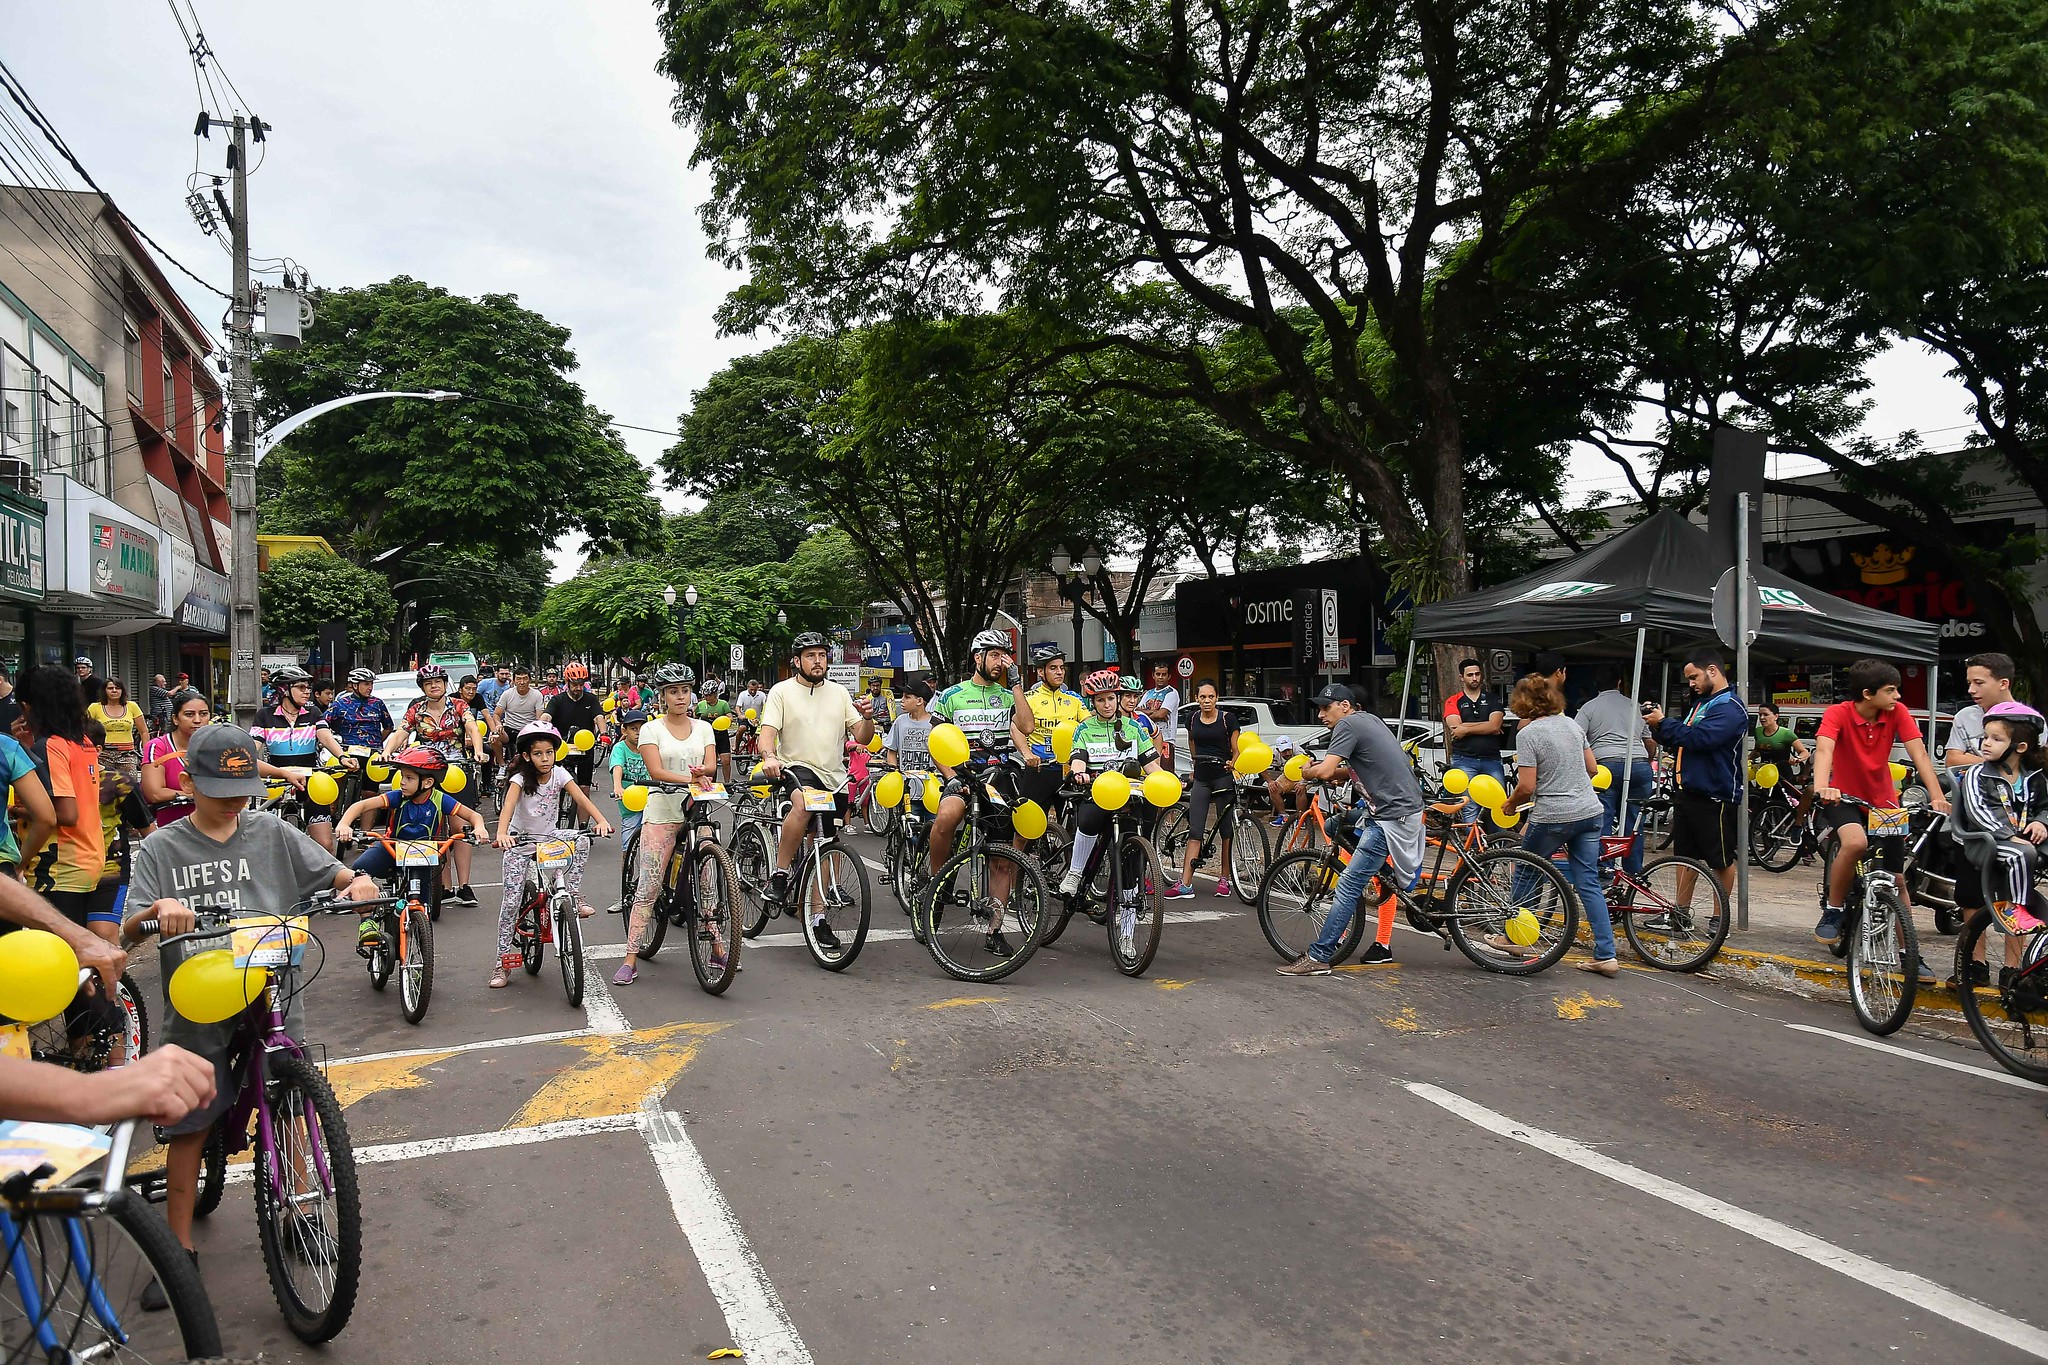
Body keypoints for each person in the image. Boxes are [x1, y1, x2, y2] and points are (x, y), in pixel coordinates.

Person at [122, 723, 382, 1292]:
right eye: (220, 788)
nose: (235, 801)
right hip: (201, 992)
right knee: (192, 1121)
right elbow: (129, 926)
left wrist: (356, 880)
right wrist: (157, 910)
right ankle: (176, 1249)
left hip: (274, 982)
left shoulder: (270, 831)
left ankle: (297, 1209)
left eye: (242, 789)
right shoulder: (163, 847)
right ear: (189, 782)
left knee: (290, 1100)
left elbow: (332, 872)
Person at [1811, 659, 1949, 968]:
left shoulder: (1897, 713)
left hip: (1885, 801)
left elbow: (1919, 753)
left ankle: (1908, 954)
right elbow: (1824, 749)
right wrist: (1823, 785)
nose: (1898, 697)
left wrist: (1938, 796)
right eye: (1891, 691)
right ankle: (1834, 909)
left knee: (1897, 879)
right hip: (1843, 797)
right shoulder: (1838, 713)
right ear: (1867, 694)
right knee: (1855, 843)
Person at [1274, 684, 1419, 974]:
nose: (1320, 715)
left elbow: (1325, 770)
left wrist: (1308, 771)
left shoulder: (1348, 725)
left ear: (1344, 705)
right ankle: (1386, 874)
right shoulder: (1368, 719)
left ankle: (1319, 957)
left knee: (1349, 885)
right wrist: (1341, 773)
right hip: (1394, 809)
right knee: (1334, 823)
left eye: (1325, 708)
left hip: (1390, 816)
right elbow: (1361, 765)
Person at [758, 636, 877, 949]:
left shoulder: (839, 692)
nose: (818, 661)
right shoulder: (781, 692)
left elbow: (863, 736)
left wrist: (867, 717)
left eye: (822, 655)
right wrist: (770, 756)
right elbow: (767, 735)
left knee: (825, 844)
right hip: (797, 769)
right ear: (797, 660)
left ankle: (817, 919)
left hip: (834, 776)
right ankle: (780, 874)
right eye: (810, 656)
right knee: (803, 806)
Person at [1499, 676, 1618, 976]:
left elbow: (1526, 786)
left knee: (1527, 870)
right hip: (1590, 812)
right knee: (1589, 882)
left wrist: (1511, 804)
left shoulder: (1529, 734)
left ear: (1522, 702)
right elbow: (1592, 768)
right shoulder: (1573, 726)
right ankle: (1606, 955)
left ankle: (1514, 938)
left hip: (1553, 815)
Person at [491, 724, 611, 988]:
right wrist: (502, 834)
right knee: (511, 905)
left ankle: (574, 894)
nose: (545, 759)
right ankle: (501, 963)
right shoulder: (519, 780)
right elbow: (508, 807)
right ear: (526, 756)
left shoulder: (559, 773)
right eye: (538, 754)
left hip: (548, 839)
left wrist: (601, 821)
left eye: (549, 752)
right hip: (519, 843)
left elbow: (581, 798)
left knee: (581, 840)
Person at [334, 746, 487, 949]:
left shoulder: (440, 799)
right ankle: (367, 921)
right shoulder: (397, 797)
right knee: (359, 870)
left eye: (408, 778)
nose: (402, 782)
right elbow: (359, 806)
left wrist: (480, 828)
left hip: (424, 854)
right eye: (402, 776)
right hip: (392, 848)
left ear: (428, 782)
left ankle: (417, 955)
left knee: (424, 909)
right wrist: (344, 824)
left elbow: (474, 815)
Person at [1054, 671, 1167, 941]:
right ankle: (1075, 873)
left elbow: (1151, 765)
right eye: (1101, 700)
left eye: (1111, 699)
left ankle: (1126, 937)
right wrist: (1079, 773)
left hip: (1129, 800)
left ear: (1118, 699)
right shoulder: (1084, 728)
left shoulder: (1134, 729)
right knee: (1089, 819)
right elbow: (1078, 759)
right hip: (1097, 796)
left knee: (1130, 870)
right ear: (1093, 702)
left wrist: (1166, 780)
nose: (1107, 704)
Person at [619, 668, 714, 985]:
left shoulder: (703, 728)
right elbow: (656, 769)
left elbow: (712, 764)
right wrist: (692, 777)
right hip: (662, 811)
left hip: (696, 809)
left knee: (711, 878)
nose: (681, 697)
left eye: (685, 690)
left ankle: (717, 944)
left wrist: (703, 771)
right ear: (662, 696)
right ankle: (631, 957)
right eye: (674, 691)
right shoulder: (651, 730)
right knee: (648, 886)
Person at [927, 630, 1030, 908]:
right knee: (946, 818)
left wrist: (1017, 683)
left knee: (1001, 855)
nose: (1001, 662)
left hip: (997, 779)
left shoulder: (1008, 696)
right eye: (995, 655)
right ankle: (935, 887)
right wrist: (950, 777)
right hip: (961, 776)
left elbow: (1027, 727)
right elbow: (935, 741)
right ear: (978, 657)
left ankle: (995, 927)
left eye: (1005, 655)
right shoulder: (952, 695)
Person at [1645, 649, 1749, 911]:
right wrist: (1658, 726)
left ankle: (1718, 917)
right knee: (1684, 857)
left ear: (1712, 670)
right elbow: (1682, 739)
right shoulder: (1702, 704)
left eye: (1694, 677)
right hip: (1689, 790)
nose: (1691, 684)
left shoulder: (1730, 707)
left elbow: (1702, 739)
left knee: (1720, 859)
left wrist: (1665, 722)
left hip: (1715, 794)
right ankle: (1680, 913)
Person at [1948, 701, 2047, 975]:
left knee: (2026, 855)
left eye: (1996, 738)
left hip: (2023, 841)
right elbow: (1978, 812)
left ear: (2021, 747)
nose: (1986, 744)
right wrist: (2009, 835)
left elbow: (2044, 806)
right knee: (2021, 856)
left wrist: (2041, 823)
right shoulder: (1976, 774)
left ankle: (2013, 969)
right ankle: (2015, 913)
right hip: (1985, 843)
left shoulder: (2034, 777)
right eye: (1985, 738)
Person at [19, 665, 110, 945]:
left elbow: (66, 814)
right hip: (88, 857)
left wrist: (18, 812)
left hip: (59, 867)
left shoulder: (49, 746)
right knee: (77, 948)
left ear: (28, 706)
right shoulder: (82, 742)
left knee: (61, 954)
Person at [385, 665, 485, 901]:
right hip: (426, 773)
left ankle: (465, 886)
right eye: (428, 683)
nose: (434, 685)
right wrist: (387, 750)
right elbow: (401, 732)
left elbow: (472, 726)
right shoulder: (416, 709)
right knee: (434, 830)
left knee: (459, 829)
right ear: (423, 687)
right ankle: (444, 886)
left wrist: (478, 750)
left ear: (444, 684)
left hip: (457, 771)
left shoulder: (459, 705)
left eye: (438, 681)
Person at [251, 665, 347, 852]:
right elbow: (254, 743)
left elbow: (325, 736)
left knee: (326, 845)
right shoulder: (265, 715)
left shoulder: (313, 714)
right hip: (277, 781)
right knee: (269, 847)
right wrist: (243, 757)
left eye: (308, 688)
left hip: (312, 781)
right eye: (301, 687)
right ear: (284, 690)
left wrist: (342, 756)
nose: (307, 692)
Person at [1576, 665, 1658, 877]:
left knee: (1603, 818)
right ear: (1619, 683)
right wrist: (1647, 761)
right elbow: (1650, 742)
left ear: (1596, 685)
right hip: (1639, 764)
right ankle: (1634, 872)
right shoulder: (1635, 706)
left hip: (1606, 766)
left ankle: (1605, 868)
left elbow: (1575, 737)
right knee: (1635, 822)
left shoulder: (1589, 708)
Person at [1170, 681, 1246, 900]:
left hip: (1222, 777)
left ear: (1217, 698)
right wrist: (1195, 766)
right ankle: (1185, 883)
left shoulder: (1227, 719)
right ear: (1196, 698)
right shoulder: (1192, 718)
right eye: (1202, 697)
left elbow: (1236, 749)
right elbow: (1193, 742)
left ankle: (1225, 879)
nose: (1206, 701)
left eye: (1210, 697)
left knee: (1226, 830)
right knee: (1196, 829)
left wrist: (1233, 762)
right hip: (1202, 777)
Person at [1018, 643, 1086, 834]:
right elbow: (1015, 728)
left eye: (1061, 668)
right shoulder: (1029, 698)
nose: (1059, 672)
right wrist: (1027, 753)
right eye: (1053, 668)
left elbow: (1089, 727)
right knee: (1025, 827)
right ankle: (1016, 863)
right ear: (1041, 671)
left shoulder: (1074, 700)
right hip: (1040, 769)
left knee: (1077, 827)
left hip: (1069, 771)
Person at [1442, 659, 1506, 824]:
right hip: (1464, 760)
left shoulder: (1492, 699)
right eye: (1470, 675)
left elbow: (1495, 725)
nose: (1474, 678)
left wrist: (1466, 728)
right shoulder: (1453, 700)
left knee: (1498, 805)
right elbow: (1455, 728)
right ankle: (1475, 849)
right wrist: (1487, 726)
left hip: (1491, 759)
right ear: (1461, 677)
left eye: (1477, 674)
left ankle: (1499, 846)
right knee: (1469, 806)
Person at [141, 688, 210, 829]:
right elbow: (154, 793)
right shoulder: (159, 746)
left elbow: (245, 761)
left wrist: (269, 772)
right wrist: (198, 795)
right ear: (175, 719)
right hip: (174, 830)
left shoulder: (216, 744)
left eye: (203, 714)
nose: (197, 720)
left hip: (216, 828)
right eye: (189, 714)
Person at [1945, 651, 2019, 768]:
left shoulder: (2029, 719)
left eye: (1978, 683)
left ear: (2003, 684)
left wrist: (1971, 759)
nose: (1971, 690)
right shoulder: (1964, 716)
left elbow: (2032, 764)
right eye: (1969, 683)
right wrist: (1997, 766)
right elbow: (1953, 759)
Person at [541, 662, 603, 793]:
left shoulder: (591, 699)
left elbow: (599, 717)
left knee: (584, 788)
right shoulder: (557, 700)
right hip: (561, 747)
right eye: (575, 684)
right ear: (567, 682)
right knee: (555, 787)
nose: (578, 688)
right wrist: (540, 729)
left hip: (585, 747)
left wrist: (604, 734)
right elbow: (546, 716)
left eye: (581, 684)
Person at [88, 677, 150, 789]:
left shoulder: (132, 706)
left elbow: (144, 731)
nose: (114, 691)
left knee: (130, 787)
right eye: (110, 688)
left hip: (127, 755)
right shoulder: (94, 708)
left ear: (122, 690)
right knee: (104, 788)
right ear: (104, 690)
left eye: (117, 688)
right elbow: (85, 730)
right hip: (103, 755)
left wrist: (146, 754)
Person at [609, 708, 651, 845]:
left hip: (650, 800)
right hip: (629, 804)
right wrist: (617, 786)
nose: (638, 733)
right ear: (624, 731)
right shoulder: (620, 748)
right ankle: (627, 865)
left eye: (642, 728)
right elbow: (617, 766)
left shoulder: (649, 748)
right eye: (634, 729)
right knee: (628, 845)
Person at [493, 665, 547, 766]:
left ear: (529, 680)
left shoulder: (537, 695)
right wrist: (498, 724)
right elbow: (496, 714)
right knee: (494, 738)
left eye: (525, 679)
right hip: (510, 729)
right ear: (514, 680)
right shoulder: (507, 694)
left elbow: (539, 717)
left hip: (529, 730)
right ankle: (501, 764)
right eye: (518, 679)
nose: (522, 682)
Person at [1140, 661, 1182, 766]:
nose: (1160, 677)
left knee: (1165, 772)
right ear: (1153, 676)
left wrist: (1146, 715)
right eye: (1158, 674)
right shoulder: (1148, 693)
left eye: (1164, 674)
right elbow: (1136, 711)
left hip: (1166, 740)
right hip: (1148, 740)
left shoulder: (1172, 693)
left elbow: (1161, 715)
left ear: (1169, 676)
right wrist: (1152, 712)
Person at [696, 677, 734, 784]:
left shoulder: (723, 704)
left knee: (726, 761)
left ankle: (727, 783)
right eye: (705, 695)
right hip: (707, 736)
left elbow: (730, 717)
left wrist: (726, 721)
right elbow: (694, 719)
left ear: (715, 694)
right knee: (711, 763)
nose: (707, 698)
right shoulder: (701, 705)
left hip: (721, 734)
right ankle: (711, 783)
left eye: (710, 695)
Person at [1752, 701, 1811, 768]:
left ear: (1776, 716)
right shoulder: (1758, 731)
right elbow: (1756, 751)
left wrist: (1797, 758)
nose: (1762, 718)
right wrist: (1746, 758)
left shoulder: (1786, 733)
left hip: (1782, 772)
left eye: (1766, 715)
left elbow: (1805, 752)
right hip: (1764, 772)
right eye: (1760, 715)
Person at [147, 673, 172, 738]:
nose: (165, 683)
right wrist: (178, 687)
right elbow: (170, 693)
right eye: (164, 681)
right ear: (158, 682)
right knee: (163, 731)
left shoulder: (159, 690)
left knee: (164, 730)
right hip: (160, 715)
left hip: (164, 715)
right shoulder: (154, 689)